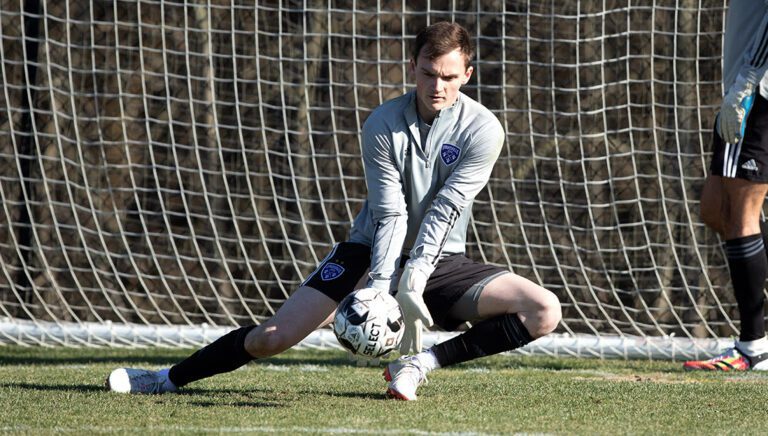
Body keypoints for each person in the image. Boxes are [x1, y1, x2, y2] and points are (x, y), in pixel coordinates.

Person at [107, 21, 561, 400]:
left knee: (543, 310)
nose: (436, 86)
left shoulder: (484, 129)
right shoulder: (383, 121)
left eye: (447, 76)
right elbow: (390, 211)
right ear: (412, 67)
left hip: (440, 259)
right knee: (272, 338)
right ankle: (164, 379)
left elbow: (446, 209)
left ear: (467, 74)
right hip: (367, 253)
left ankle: (419, 363)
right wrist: (382, 289)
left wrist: (415, 280)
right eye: (427, 73)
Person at [684, 2, 768, 371]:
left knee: (739, 213)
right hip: (747, 86)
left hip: (758, 92)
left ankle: (753, 347)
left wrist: (749, 80)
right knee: (715, 207)